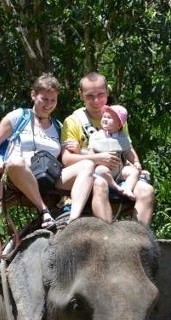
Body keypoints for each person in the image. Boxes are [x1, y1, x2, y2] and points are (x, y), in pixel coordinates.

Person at [0, 74, 95, 229]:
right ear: (33, 95)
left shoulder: (58, 126)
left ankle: (73, 218)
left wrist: (83, 152)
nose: (48, 105)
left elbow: (66, 158)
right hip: (19, 173)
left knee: (88, 166)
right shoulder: (18, 116)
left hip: (49, 175)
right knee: (17, 162)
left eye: (53, 100)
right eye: (44, 99)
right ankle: (43, 211)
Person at [60, 72, 155, 225]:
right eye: (90, 96)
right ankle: (107, 234)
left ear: (107, 93)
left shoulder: (117, 117)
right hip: (95, 176)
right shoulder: (73, 121)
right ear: (81, 95)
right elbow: (67, 160)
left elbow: (127, 148)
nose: (96, 100)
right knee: (100, 184)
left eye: (100, 94)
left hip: (119, 172)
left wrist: (136, 165)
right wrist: (97, 158)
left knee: (146, 190)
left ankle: (138, 236)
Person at [87, 104, 146, 201]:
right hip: (105, 169)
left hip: (120, 170)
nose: (105, 119)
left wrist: (136, 162)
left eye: (109, 118)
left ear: (119, 124)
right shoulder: (96, 136)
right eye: (104, 117)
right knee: (100, 171)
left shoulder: (122, 137)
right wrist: (95, 158)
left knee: (133, 172)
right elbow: (91, 152)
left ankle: (127, 188)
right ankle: (116, 187)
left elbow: (129, 152)